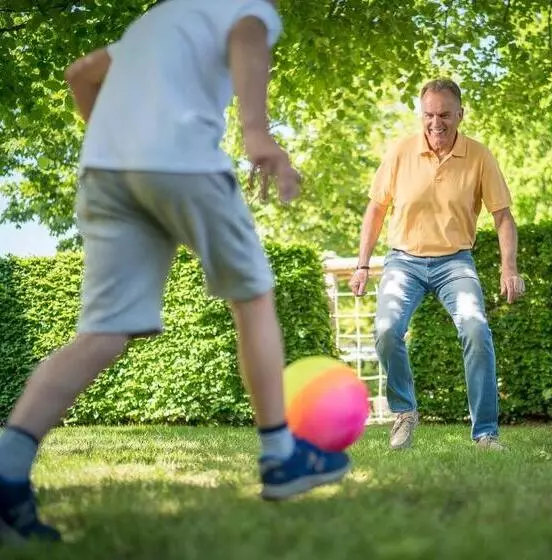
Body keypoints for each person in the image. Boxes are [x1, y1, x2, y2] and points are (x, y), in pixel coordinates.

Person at [0, 0, 350, 544]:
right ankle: (281, 456)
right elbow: (249, 35)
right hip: (182, 160)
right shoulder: (243, 7)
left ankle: (6, 471)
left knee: (101, 334)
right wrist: (256, 135)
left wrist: (122, 143)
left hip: (105, 170)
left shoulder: (160, 21)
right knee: (252, 297)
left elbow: (80, 74)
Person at [349, 78, 524, 452]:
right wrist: (363, 264)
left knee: (476, 330)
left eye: (445, 114)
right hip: (403, 261)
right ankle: (404, 412)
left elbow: (503, 217)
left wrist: (509, 268)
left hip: (455, 262)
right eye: (428, 114)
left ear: (460, 114)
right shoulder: (401, 152)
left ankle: (486, 433)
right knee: (385, 331)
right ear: (420, 114)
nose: (436, 122)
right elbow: (376, 209)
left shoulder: (479, 156)